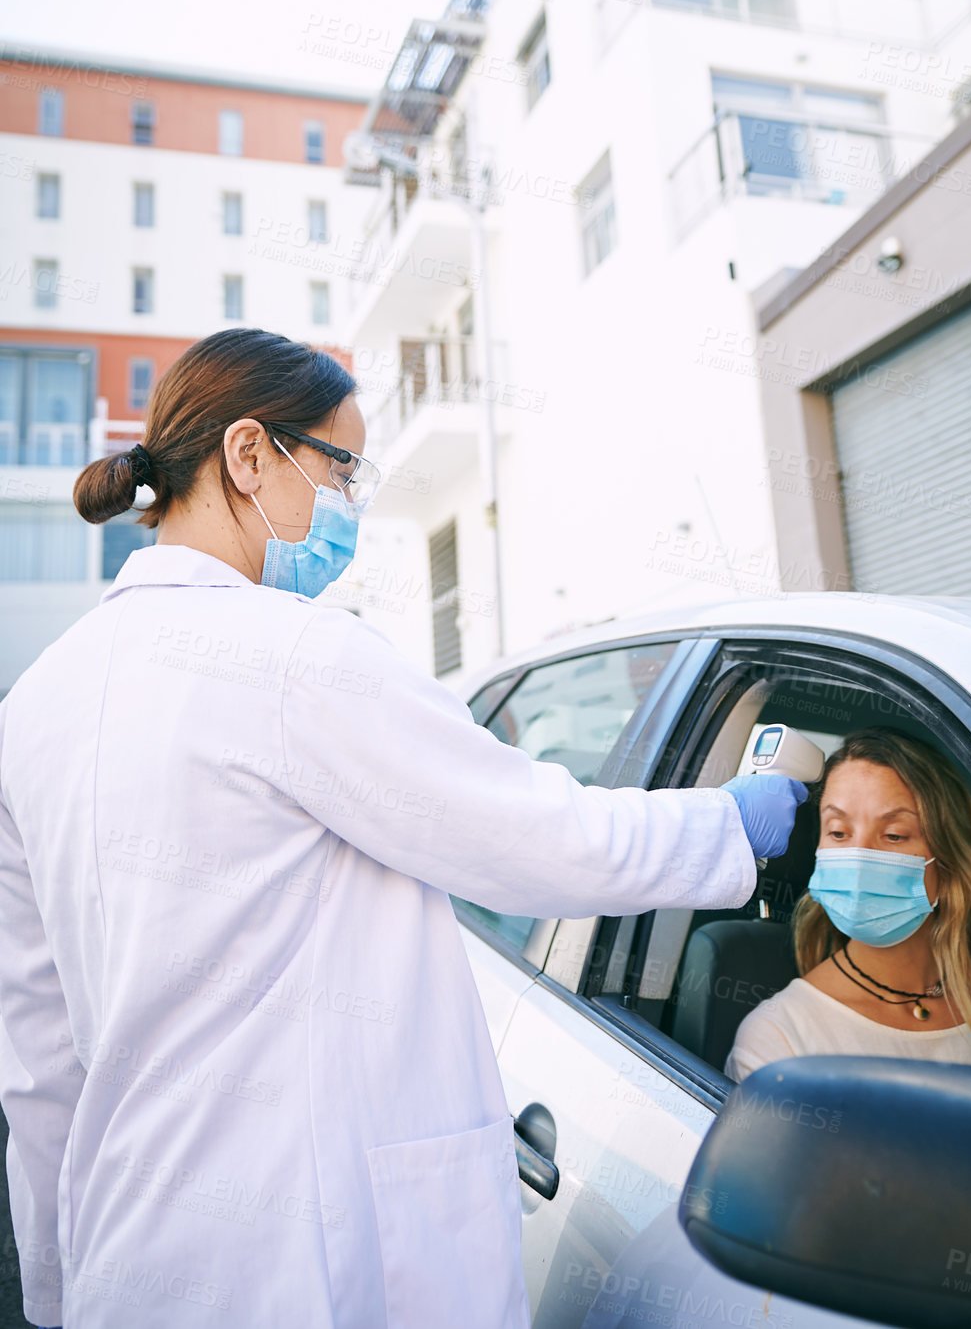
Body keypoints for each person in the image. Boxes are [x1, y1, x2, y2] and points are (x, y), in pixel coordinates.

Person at [0, 328, 803, 1329]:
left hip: (132, 1264)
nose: (353, 504)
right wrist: (728, 823)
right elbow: (534, 837)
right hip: (305, 1268)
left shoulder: (34, 704)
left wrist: (52, 1290)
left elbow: (36, 1060)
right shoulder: (296, 656)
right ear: (249, 455)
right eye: (341, 467)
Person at [725, 728, 971, 1139]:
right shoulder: (780, 1039)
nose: (859, 858)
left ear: (948, 865)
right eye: (839, 832)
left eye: (894, 835)